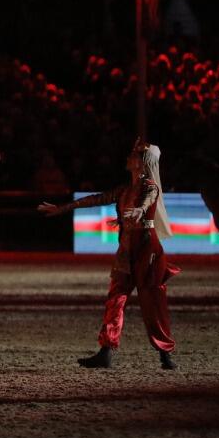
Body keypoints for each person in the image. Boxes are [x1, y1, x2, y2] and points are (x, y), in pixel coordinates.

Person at [39, 139, 179, 370]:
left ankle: (165, 354)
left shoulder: (149, 186)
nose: (128, 157)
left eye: (133, 155)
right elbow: (96, 199)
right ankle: (106, 351)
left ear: (142, 163)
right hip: (126, 251)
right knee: (115, 300)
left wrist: (140, 210)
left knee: (152, 304)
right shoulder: (124, 190)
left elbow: (148, 200)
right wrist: (62, 208)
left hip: (147, 252)